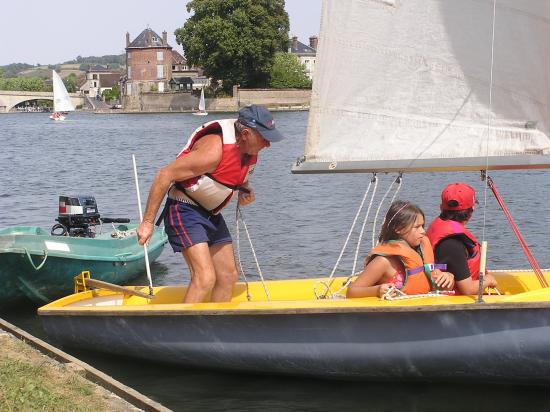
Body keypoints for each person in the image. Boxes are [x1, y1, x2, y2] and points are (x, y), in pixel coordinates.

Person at [137, 104, 285, 303]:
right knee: (205, 278)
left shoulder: (248, 149)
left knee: (228, 276)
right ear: (247, 133)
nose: (268, 144)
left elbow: (229, 177)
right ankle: (183, 331)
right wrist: (147, 223)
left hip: (210, 214)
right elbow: (164, 175)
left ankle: (214, 327)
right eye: (264, 138)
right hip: (184, 209)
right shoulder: (213, 151)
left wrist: (245, 189)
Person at [346, 201, 455, 299]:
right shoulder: (383, 262)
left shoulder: (420, 252)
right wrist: (377, 290)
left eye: (423, 226)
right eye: (417, 227)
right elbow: (351, 291)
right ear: (398, 228)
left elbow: (434, 275)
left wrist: (449, 277)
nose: (423, 231)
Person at [426, 183, 498, 295]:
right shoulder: (453, 245)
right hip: (455, 301)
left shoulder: (438, 227)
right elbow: (468, 290)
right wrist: (489, 280)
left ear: (441, 208)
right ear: (470, 213)